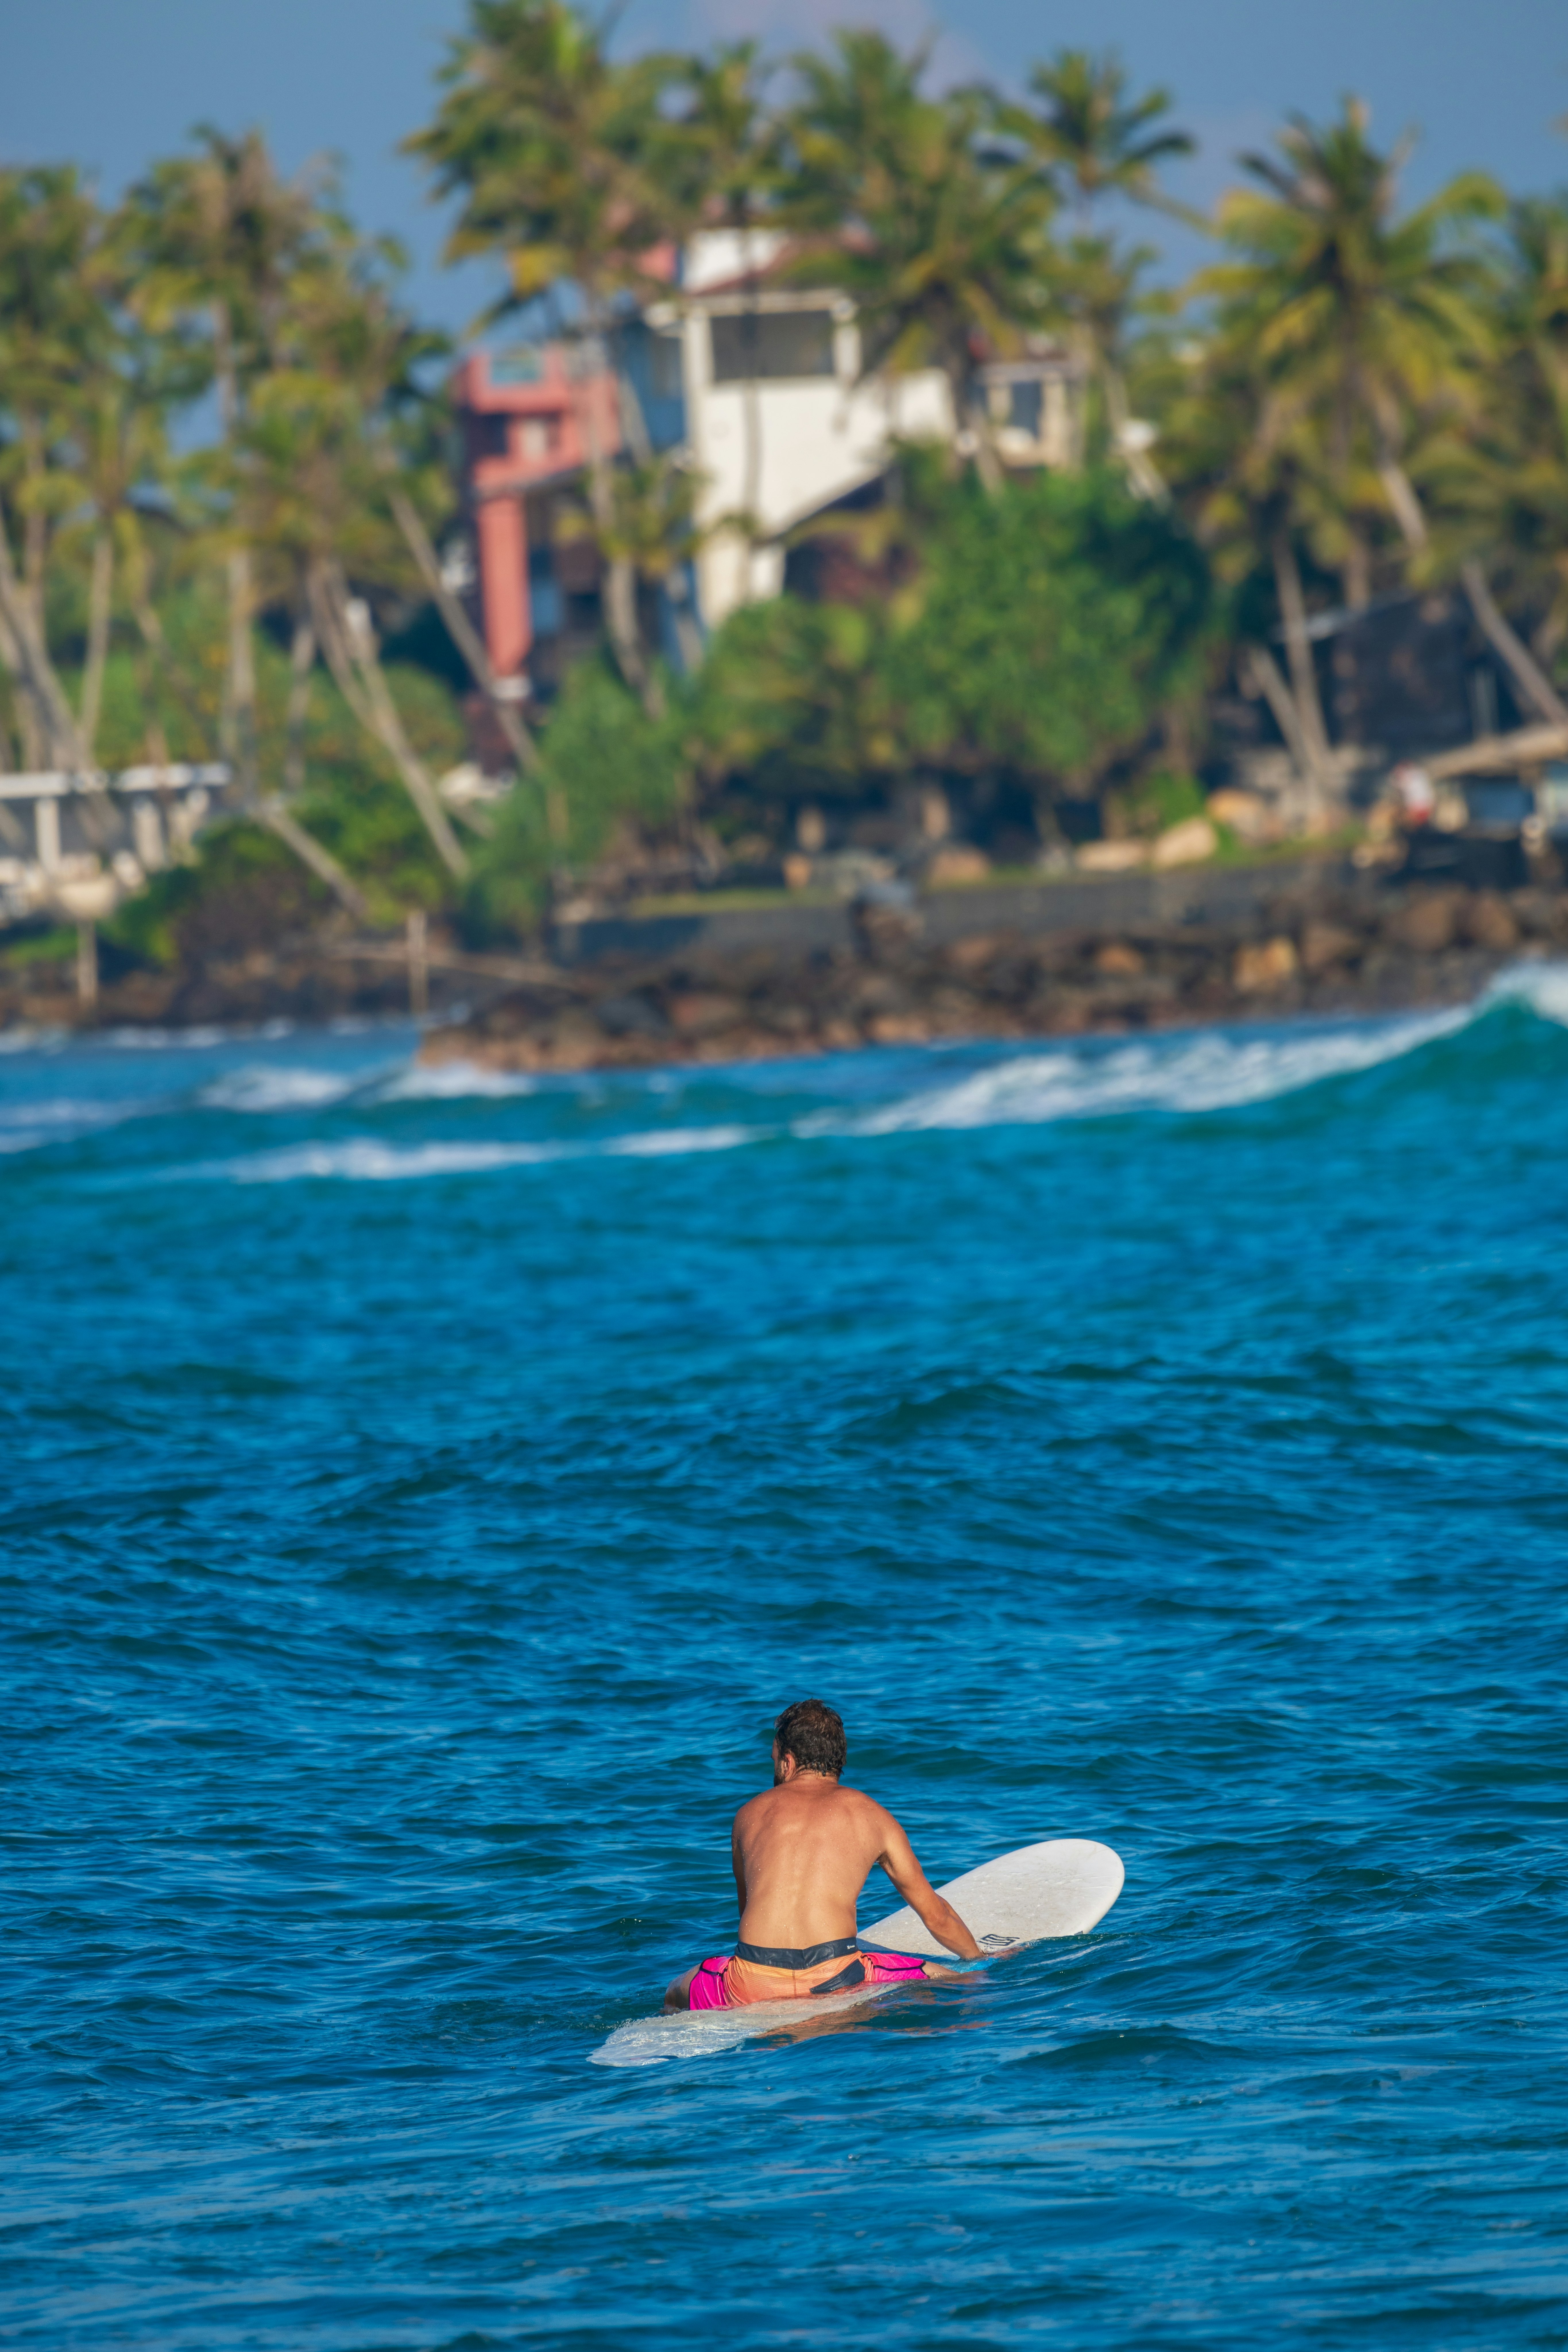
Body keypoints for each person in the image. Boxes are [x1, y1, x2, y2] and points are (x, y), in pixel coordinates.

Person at [665, 1698, 989, 2011]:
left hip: (749, 1984)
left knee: (675, 1991)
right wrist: (977, 1957)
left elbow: (746, 1908)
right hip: (837, 1978)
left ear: (788, 1761)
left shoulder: (748, 1814)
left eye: (774, 1758)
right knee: (963, 1980)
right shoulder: (873, 1816)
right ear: (839, 1760)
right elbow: (935, 1915)